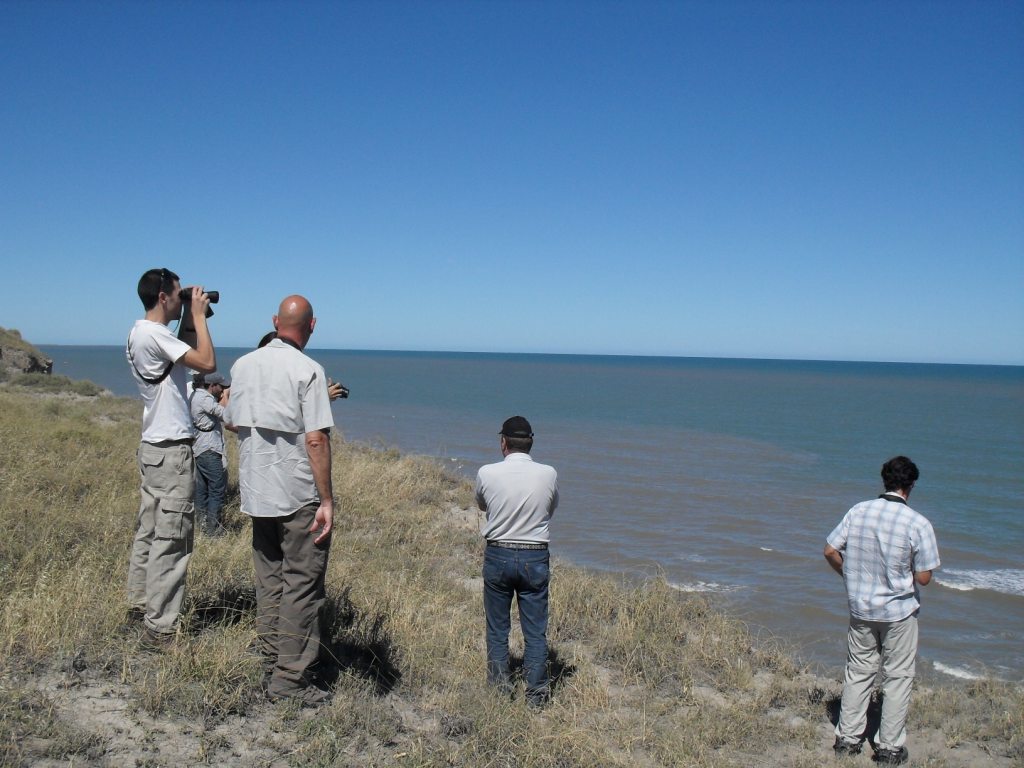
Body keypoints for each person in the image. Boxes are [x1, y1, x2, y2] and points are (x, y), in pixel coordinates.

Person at [226, 295, 335, 707]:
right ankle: (289, 680)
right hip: (296, 493)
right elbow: (315, 438)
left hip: (257, 490)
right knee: (302, 584)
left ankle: (271, 657)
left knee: (269, 579)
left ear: (275, 321)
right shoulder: (308, 370)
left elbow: (234, 418)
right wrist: (327, 499)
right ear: (312, 326)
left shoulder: (243, 365)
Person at [825, 456, 940, 765]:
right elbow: (925, 578)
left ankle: (848, 739)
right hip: (899, 612)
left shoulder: (858, 511)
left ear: (884, 480)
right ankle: (888, 747)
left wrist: (849, 575)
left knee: (859, 672)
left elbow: (830, 550)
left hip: (861, 608)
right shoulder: (918, 523)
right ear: (911, 486)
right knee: (898, 677)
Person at [126, 268, 215, 649]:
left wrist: (194, 318)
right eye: (178, 294)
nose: (181, 299)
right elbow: (207, 363)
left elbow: (182, 357)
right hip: (172, 450)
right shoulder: (155, 334)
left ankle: (139, 605)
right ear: (163, 296)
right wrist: (196, 316)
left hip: (153, 448)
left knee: (149, 530)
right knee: (172, 538)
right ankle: (160, 629)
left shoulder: (139, 333)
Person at [475, 416, 559, 708]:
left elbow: (482, 503)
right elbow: (551, 507)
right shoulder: (548, 473)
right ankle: (536, 697)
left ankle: (500, 692)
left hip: (498, 552)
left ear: (503, 443)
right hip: (534, 554)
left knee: (498, 628)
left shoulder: (487, 472)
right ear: (531, 442)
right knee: (535, 630)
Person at [190, 372, 235, 536]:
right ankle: (213, 530)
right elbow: (227, 416)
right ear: (212, 386)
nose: (222, 389)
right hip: (210, 449)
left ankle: (201, 525)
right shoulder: (205, 399)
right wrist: (227, 397)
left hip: (200, 448)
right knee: (217, 490)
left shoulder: (195, 395)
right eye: (221, 386)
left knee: (202, 490)